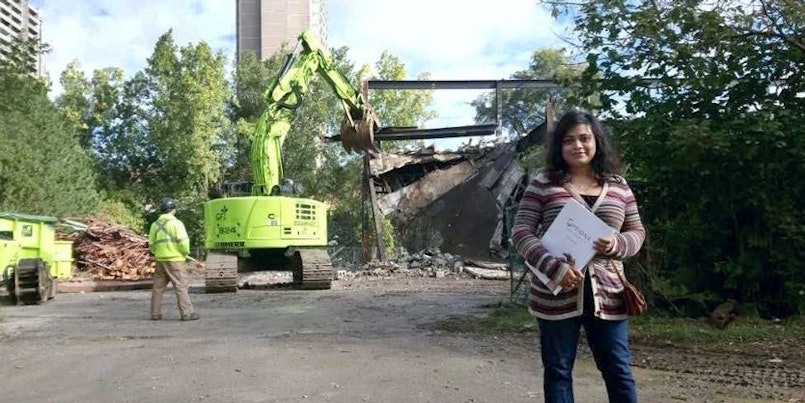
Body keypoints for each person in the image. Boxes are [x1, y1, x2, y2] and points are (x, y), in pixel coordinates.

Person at [511, 109, 646, 403]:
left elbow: (637, 231)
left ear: (596, 140)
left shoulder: (619, 186)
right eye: (568, 140)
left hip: (609, 293)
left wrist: (617, 244)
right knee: (558, 371)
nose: (578, 146)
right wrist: (552, 267)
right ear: (560, 147)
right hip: (555, 293)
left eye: (584, 138)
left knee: (618, 370)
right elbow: (521, 232)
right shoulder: (544, 184)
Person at [148, 197, 199, 321]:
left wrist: (158, 253)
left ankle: (155, 314)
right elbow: (183, 242)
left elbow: (151, 244)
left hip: (160, 260)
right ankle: (187, 313)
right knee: (181, 286)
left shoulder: (155, 225)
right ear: (173, 210)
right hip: (175, 260)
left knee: (158, 288)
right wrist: (184, 253)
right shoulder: (177, 224)